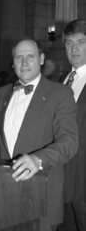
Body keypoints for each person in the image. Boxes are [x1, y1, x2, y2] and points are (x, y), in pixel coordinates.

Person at [0, 37, 79, 231]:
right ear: (12, 63)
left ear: (41, 59)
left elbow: (69, 142)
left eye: (30, 56)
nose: (24, 62)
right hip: (6, 189)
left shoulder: (60, 93)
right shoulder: (3, 92)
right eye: (18, 57)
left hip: (41, 193)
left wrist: (38, 160)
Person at [60, 19, 86, 231]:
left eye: (81, 42)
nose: (74, 48)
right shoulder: (62, 79)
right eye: (69, 43)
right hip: (61, 175)